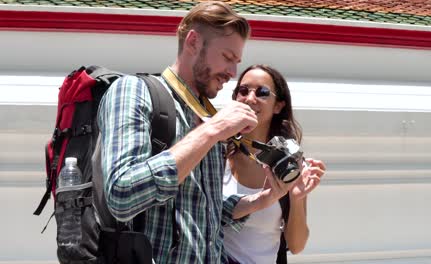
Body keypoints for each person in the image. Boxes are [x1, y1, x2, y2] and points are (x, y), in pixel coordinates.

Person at [96, 2, 257, 263]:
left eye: (236, 62)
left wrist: (267, 197)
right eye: (228, 58)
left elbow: (205, 212)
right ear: (193, 41)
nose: (233, 73)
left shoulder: (209, 117)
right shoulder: (134, 91)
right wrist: (212, 131)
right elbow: (121, 194)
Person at [222, 64, 326, 264]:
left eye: (262, 92)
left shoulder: (289, 165)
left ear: (278, 106)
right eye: (243, 91)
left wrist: (296, 198)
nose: (250, 98)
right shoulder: (217, 155)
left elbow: (296, 245)